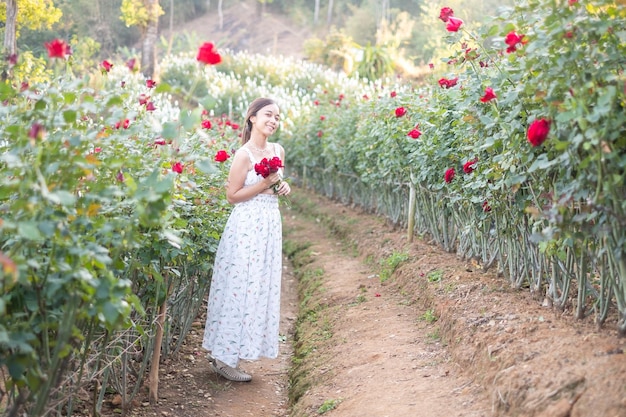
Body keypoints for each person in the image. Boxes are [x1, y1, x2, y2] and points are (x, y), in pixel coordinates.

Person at [202, 97, 291, 382]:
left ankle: (239, 352)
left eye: (277, 117)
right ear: (252, 117)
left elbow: (275, 188)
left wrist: (281, 186)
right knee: (240, 284)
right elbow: (232, 196)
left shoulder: (278, 150)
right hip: (246, 225)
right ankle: (223, 357)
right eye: (268, 115)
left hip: (269, 223)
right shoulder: (244, 154)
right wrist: (264, 184)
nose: (273, 120)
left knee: (259, 286)